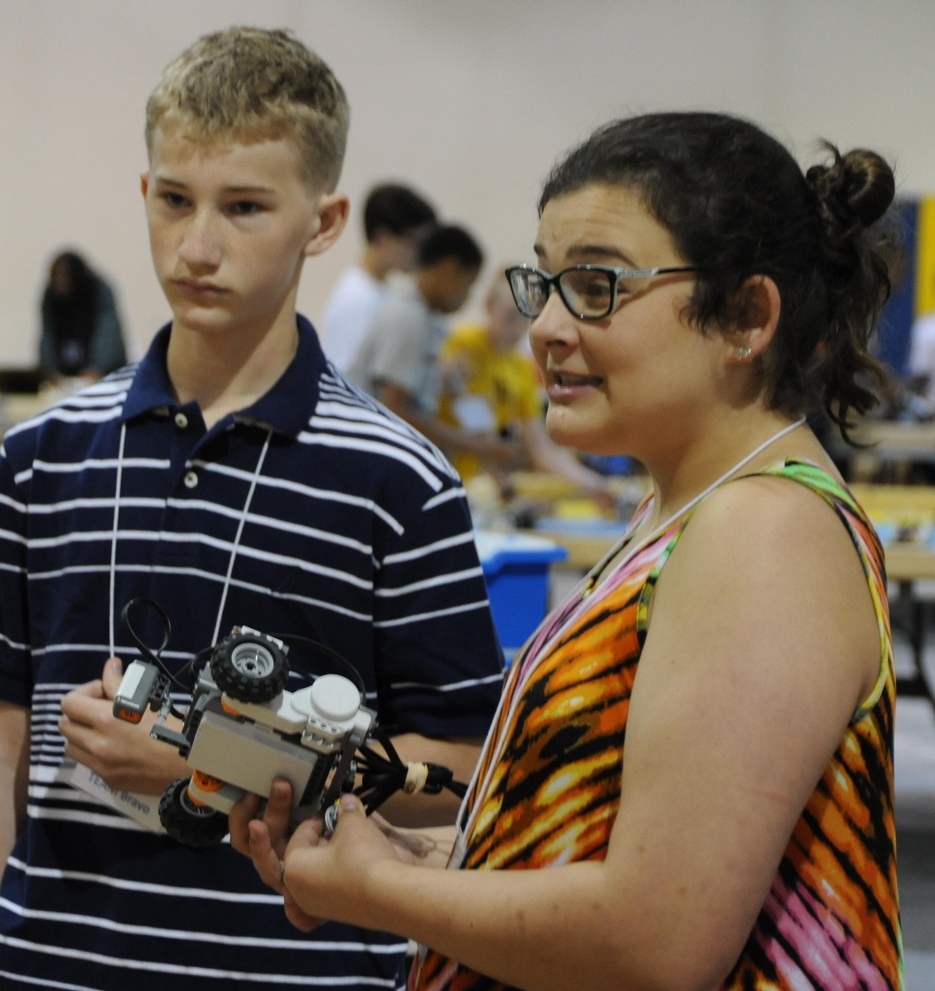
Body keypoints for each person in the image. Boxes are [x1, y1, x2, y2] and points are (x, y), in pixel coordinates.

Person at [231, 111, 904, 991]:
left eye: (597, 285)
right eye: (543, 283)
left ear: (746, 315)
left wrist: (383, 890)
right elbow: (611, 851)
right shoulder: (690, 512)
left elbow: (656, 940)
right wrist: (426, 853)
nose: (546, 326)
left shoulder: (763, 532)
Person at [0, 26, 503, 991]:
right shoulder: (42, 456)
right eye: (174, 200)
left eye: (245, 207)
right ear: (145, 196)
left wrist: (203, 763)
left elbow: (454, 770)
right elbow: (1, 747)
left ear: (323, 222)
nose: (198, 246)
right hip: (58, 967)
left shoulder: (400, 480)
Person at [348, 223, 517, 472]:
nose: (467, 296)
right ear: (449, 270)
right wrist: (474, 445)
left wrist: (441, 379)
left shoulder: (425, 319)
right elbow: (394, 410)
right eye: (468, 283)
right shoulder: (408, 318)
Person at [438, 268, 615, 500]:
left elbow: (540, 449)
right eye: (509, 316)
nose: (517, 328)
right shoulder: (462, 344)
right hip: (444, 473)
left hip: (480, 486)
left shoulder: (521, 368)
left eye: (525, 317)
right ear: (488, 306)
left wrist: (594, 484)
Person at [321, 182, 437, 371]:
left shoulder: (384, 292)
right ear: (384, 237)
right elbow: (345, 377)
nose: (421, 254)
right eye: (416, 242)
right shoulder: (357, 299)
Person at [39, 249, 128, 380]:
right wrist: (49, 370)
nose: (60, 283)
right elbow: (48, 335)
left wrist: (96, 367)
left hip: (103, 374)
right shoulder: (51, 296)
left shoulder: (98, 291)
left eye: (64, 276)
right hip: (64, 375)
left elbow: (108, 332)